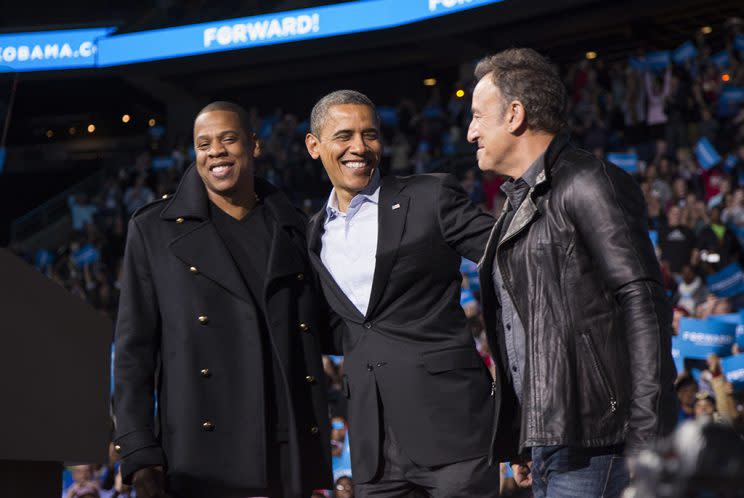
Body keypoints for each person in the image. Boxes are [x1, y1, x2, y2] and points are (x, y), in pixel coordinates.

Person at [469, 48, 677, 498]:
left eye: (478, 117)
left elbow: (643, 302)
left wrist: (647, 433)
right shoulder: (516, 205)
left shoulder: (588, 180)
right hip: (552, 444)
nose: (470, 133)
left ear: (514, 114)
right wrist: (528, 433)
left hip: (602, 443)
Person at [113, 101, 333, 498]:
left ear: (253, 146)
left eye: (228, 139)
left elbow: (320, 331)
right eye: (203, 143)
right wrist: (140, 453)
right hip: (199, 459)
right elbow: (134, 354)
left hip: (286, 453)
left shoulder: (295, 227)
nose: (215, 150)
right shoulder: (152, 231)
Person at [304, 90, 498, 497]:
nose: (359, 146)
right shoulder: (313, 232)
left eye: (369, 134)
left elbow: (510, 259)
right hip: (373, 449)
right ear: (314, 145)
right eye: (344, 135)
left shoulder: (430, 196)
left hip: (454, 429)